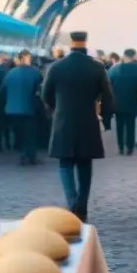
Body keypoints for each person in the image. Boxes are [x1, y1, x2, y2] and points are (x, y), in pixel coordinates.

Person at [42, 31, 114, 222]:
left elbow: (45, 95)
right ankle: (82, 206)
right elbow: (108, 97)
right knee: (85, 165)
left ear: (70, 43)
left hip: (63, 121)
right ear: (85, 42)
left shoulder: (56, 67)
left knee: (65, 164)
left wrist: (56, 110)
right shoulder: (97, 68)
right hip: (87, 122)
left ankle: (72, 203)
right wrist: (105, 119)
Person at [3, 50, 44, 165]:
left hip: (12, 109)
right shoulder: (35, 72)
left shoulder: (10, 73)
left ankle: (23, 154)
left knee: (19, 133)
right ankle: (30, 156)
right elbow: (41, 89)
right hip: (29, 108)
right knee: (31, 133)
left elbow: (3, 90)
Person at [107, 48, 137, 155]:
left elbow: (109, 85)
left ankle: (120, 146)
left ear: (124, 56)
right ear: (134, 56)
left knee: (119, 125)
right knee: (131, 125)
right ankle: (129, 147)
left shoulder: (114, 70)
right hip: (134, 101)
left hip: (118, 102)